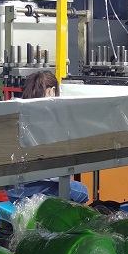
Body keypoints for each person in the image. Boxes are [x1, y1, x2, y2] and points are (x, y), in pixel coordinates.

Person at [9, 70, 90, 204]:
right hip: (37, 189)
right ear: (52, 90)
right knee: (82, 191)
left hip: (13, 192)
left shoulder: (15, 110)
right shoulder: (51, 119)